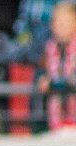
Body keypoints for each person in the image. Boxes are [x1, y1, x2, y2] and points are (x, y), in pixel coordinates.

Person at [35, 0, 76, 131]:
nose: (60, 26)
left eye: (66, 23)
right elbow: (40, 70)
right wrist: (42, 79)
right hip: (55, 120)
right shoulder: (48, 48)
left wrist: (61, 82)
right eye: (57, 22)